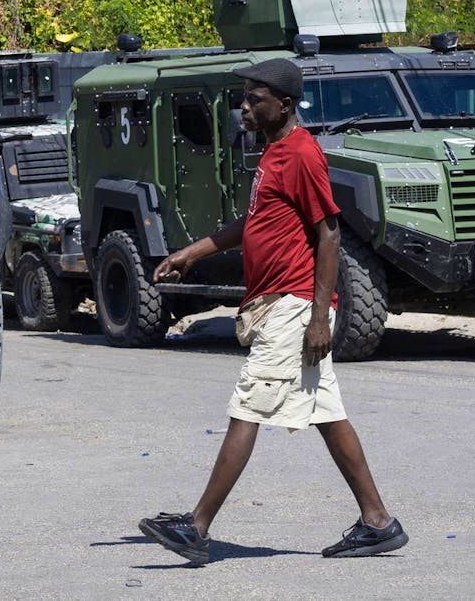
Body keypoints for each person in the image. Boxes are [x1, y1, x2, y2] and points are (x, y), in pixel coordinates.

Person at [138, 57, 407, 565]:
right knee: (327, 412)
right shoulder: (273, 154)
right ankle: (378, 521)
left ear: (283, 104)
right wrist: (189, 254)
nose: (243, 107)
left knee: (247, 405)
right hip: (281, 301)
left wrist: (320, 316)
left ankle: (197, 528)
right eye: (244, 98)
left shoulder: (303, 155)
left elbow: (329, 232)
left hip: (292, 303)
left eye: (253, 99)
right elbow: (255, 221)